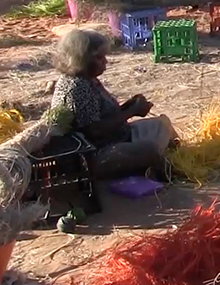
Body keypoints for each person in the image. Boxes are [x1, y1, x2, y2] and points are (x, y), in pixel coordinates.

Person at [50, 29, 178, 181]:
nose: (105, 61)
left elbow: (101, 115)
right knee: (150, 150)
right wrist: (131, 112)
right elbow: (94, 131)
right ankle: (160, 172)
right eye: (99, 57)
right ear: (81, 60)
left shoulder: (87, 79)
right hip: (95, 155)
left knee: (161, 124)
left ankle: (168, 158)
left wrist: (128, 107)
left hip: (114, 137)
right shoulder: (77, 87)